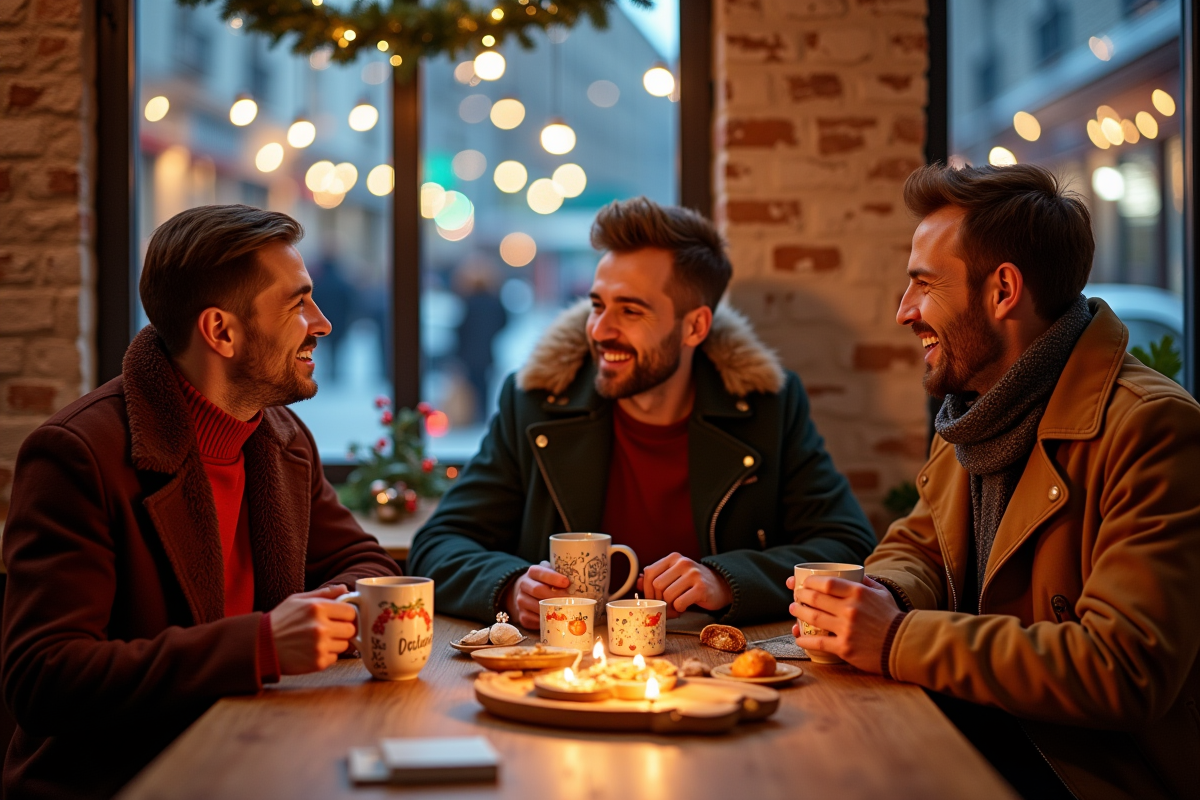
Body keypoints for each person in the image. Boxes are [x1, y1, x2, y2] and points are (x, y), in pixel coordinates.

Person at [788, 164, 1200, 799]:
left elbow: (1124, 669)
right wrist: (881, 595)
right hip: (975, 734)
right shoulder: (979, 410)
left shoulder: (1151, 428)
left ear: (1003, 290)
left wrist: (896, 636)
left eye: (922, 284)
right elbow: (913, 548)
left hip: (1082, 775)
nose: (904, 312)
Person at [1, 205, 400, 799]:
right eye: (297, 304)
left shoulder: (282, 438)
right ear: (221, 331)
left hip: (256, 756)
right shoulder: (79, 454)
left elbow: (368, 563)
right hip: (121, 781)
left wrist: (329, 606)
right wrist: (261, 644)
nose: (322, 323)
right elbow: (45, 677)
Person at [409, 197, 875, 628]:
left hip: (716, 668)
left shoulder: (766, 409)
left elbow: (846, 545)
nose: (600, 330)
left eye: (630, 311)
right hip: (565, 668)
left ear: (695, 326)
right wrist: (510, 587)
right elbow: (437, 546)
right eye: (597, 305)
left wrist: (725, 579)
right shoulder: (535, 405)